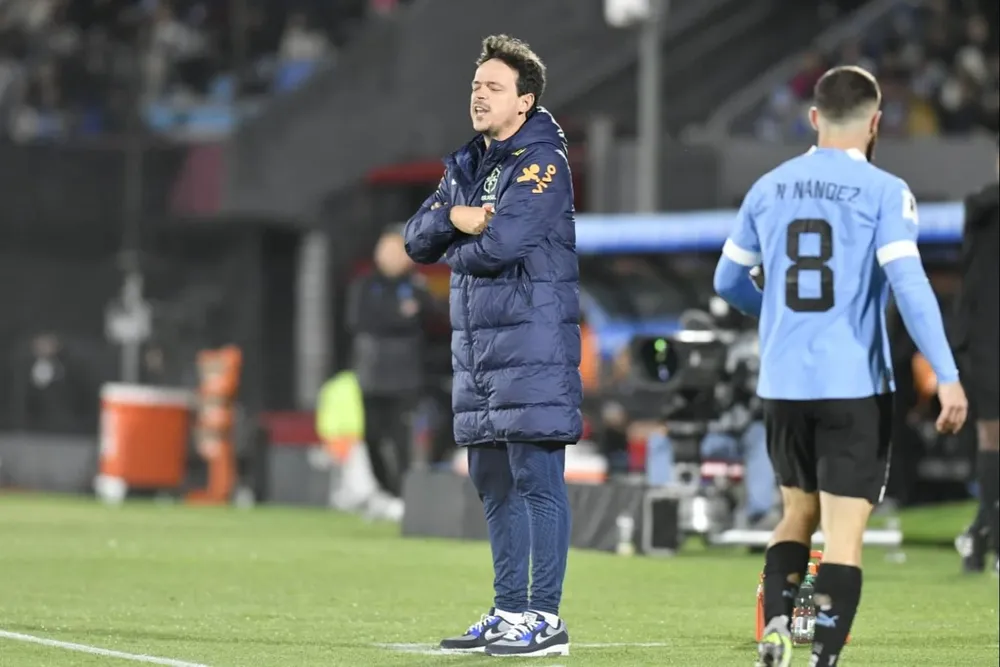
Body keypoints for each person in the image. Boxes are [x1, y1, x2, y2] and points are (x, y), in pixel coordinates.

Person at [713, 66, 967, 667]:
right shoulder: (884, 191)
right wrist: (948, 373)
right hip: (853, 384)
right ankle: (821, 656)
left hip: (783, 383)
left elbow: (728, 281)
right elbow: (909, 283)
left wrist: (771, 313)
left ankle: (779, 625)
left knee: (795, 515)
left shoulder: (768, 186)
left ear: (813, 118)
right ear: (876, 122)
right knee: (843, 532)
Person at [403, 34, 580, 658]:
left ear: (524, 101)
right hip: (479, 349)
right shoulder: (469, 167)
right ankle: (509, 610)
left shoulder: (542, 162)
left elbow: (503, 246)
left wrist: (457, 243)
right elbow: (414, 238)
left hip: (531, 343)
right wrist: (456, 219)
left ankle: (545, 618)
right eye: (476, 85)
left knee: (536, 475)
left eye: (493, 87)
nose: (479, 95)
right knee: (491, 478)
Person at [345, 226, 434, 509]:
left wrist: (398, 318)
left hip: (406, 376)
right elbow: (360, 321)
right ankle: (386, 490)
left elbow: (431, 316)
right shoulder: (365, 285)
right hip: (372, 374)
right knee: (372, 436)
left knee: (402, 439)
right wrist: (399, 316)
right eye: (387, 250)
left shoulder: (417, 286)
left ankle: (405, 497)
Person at [953, 140, 999, 575]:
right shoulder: (983, 208)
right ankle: (992, 538)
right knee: (994, 438)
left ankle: (982, 533)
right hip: (990, 341)